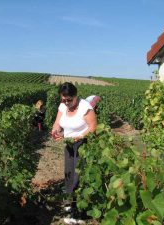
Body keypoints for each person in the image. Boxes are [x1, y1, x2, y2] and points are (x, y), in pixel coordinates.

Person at [51, 82, 97, 224]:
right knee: (69, 174)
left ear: (76, 96)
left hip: (83, 144)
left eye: (69, 99)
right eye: (63, 99)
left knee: (79, 176)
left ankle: (79, 210)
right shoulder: (62, 106)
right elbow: (57, 123)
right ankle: (70, 205)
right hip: (69, 144)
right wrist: (56, 131)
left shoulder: (85, 107)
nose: (66, 102)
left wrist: (81, 136)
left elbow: (93, 127)